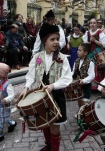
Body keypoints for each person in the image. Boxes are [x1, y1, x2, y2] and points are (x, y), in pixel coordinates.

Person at [19, 23, 72, 151]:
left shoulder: (62, 58)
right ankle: (49, 146)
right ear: (44, 41)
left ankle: (54, 148)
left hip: (57, 97)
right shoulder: (37, 57)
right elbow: (31, 75)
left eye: (57, 39)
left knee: (55, 127)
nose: (56, 42)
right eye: (52, 39)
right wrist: (26, 87)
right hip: (41, 96)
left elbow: (67, 78)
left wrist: (53, 85)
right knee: (45, 123)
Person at [83, 18, 105, 90]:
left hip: (98, 52)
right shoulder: (87, 33)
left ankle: (98, 86)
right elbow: (85, 44)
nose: (92, 24)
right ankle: (90, 85)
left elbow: (103, 45)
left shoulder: (100, 32)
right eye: (91, 23)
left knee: (99, 69)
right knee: (89, 68)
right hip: (90, 52)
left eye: (94, 23)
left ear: (96, 24)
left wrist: (94, 40)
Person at [72, 43, 95, 115]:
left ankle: (84, 116)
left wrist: (84, 81)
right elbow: (73, 71)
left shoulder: (90, 63)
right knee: (79, 100)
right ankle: (80, 113)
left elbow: (92, 76)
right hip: (78, 86)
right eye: (78, 50)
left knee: (84, 103)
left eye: (79, 50)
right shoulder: (76, 61)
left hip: (86, 86)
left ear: (85, 53)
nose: (77, 51)